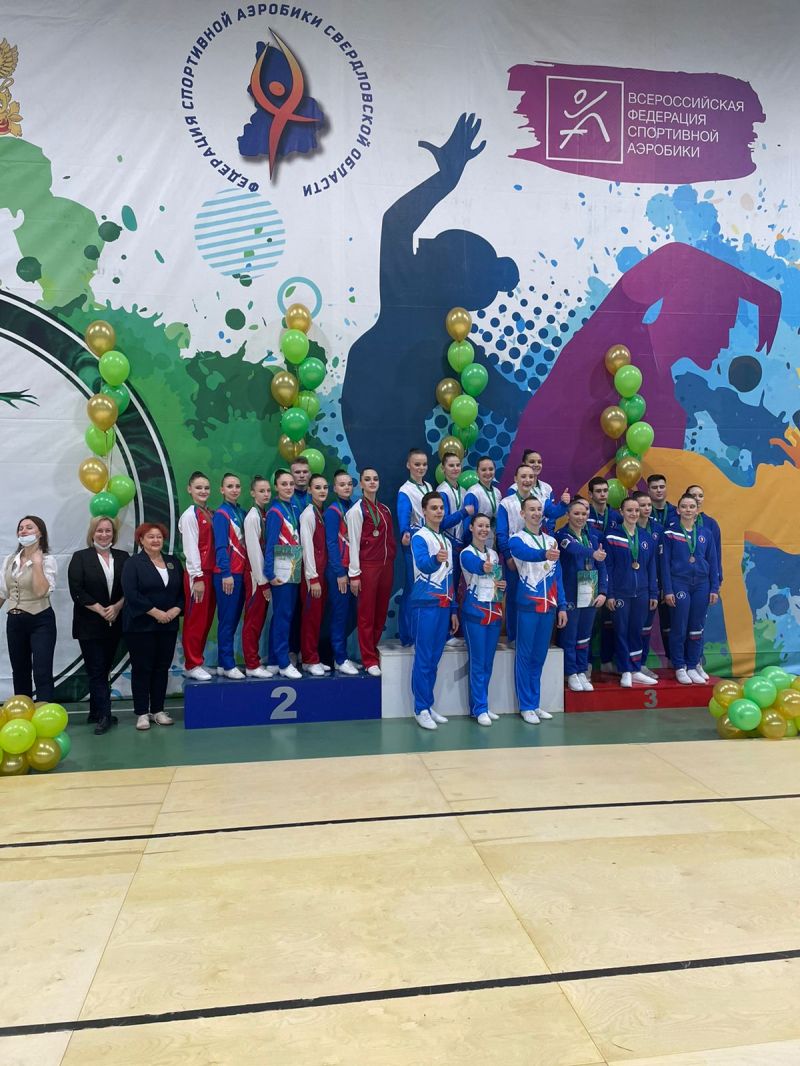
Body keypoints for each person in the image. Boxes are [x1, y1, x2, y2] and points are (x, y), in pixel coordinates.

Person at [67, 516, 128, 734]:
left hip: (114, 622)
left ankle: (95, 711)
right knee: (97, 670)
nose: (104, 534)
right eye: (100, 530)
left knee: (104, 669)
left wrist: (117, 607)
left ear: (114, 534)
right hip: (89, 624)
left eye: (108, 531)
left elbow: (129, 588)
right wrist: (100, 609)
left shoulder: (123, 557)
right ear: (92, 533)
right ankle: (105, 715)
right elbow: (76, 590)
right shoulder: (80, 557)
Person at [509, 497, 567, 723]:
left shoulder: (551, 541)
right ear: (522, 514)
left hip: (548, 606)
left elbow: (558, 576)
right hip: (528, 605)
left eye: (539, 509)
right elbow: (524, 553)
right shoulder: (517, 539)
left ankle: (535, 703)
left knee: (539, 657)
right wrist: (544, 554)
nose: (535, 513)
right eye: (531, 509)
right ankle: (526, 705)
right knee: (524, 656)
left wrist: (562, 605)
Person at [122, 522, 184, 730]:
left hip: (168, 625)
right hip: (140, 626)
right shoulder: (133, 563)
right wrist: (155, 612)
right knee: (142, 669)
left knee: (161, 668)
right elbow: (131, 594)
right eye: (150, 536)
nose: (155, 540)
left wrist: (176, 610)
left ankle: (158, 710)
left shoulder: (173, 562)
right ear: (141, 540)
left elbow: (181, 593)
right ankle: (142, 713)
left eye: (159, 536)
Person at [410, 492, 458, 729]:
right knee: (424, 658)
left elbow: (450, 576)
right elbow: (423, 565)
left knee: (434, 659)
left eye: (441, 508)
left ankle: (428, 704)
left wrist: (454, 609)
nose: (439, 511)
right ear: (424, 511)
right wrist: (436, 560)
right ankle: (420, 708)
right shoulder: (420, 537)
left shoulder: (446, 541)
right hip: (425, 604)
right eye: (434, 508)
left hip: (443, 605)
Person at [662, 493, 720, 684]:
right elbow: (664, 564)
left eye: (692, 507)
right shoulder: (670, 534)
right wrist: (668, 590)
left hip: (702, 585)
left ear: (697, 510)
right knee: (679, 626)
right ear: (678, 510)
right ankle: (680, 666)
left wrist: (714, 588)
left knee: (697, 627)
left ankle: (693, 664)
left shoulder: (705, 534)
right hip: (679, 583)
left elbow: (713, 562)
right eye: (684, 507)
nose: (688, 510)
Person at [0, 515, 57, 702]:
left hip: (40, 620)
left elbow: (41, 591)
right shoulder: (9, 560)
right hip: (15, 621)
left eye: (29, 527)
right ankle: (22, 713)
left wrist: (37, 563)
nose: (23, 531)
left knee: (42, 671)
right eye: (21, 528)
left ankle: (44, 710)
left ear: (40, 533)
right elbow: (3, 592)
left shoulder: (48, 560)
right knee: (19, 670)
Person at [603, 497, 659, 688]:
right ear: (621, 512)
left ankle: (635, 669)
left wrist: (653, 593)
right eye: (629, 510)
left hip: (642, 592)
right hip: (620, 592)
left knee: (637, 631)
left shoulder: (645, 537)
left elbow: (651, 567)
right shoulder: (612, 537)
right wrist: (610, 594)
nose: (634, 514)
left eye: (636, 510)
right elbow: (608, 568)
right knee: (621, 631)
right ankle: (625, 670)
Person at [348, 467, 397, 677]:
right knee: (366, 614)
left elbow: (389, 539)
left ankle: (373, 651)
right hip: (367, 566)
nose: (372, 482)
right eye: (367, 479)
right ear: (361, 484)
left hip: (386, 566)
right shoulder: (356, 511)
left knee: (380, 612)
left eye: (375, 479)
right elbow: (353, 544)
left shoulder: (384, 510)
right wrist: (354, 574)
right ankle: (368, 659)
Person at [556, 497, 608, 693]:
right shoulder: (561, 535)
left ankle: (581, 670)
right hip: (570, 593)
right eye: (576, 513)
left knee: (584, 636)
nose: (580, 517)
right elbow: (573, 549)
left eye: (584, 514)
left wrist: (603, 591)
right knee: (570, 635)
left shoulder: (593, 537)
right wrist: (592, 553)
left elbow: (602, 566)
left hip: (589, 593)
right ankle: (570, 673)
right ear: (568, 514)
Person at [460, 513, 505, 725]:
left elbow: (496, 577)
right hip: (475, 612)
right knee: (478, 662)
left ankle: (482, 704)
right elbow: (473, 565)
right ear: (471, 528)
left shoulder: (494, 554)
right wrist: (483, 567)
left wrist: (502, 584)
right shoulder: (466, 553)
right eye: (480, 526)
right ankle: (479, 708)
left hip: (493, 611)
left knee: (488, 662)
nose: (484, 530)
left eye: (487, 526)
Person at [264, 469, 303, 679]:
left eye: (291, 484)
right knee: (283, 616)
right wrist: (269, 573)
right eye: (284, 484)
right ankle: (283, 662)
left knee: (284, 614)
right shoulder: (275, 512)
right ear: (276, 487)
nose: (288, 487)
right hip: (281, 569)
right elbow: (270, 544)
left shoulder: (292, 508)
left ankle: (273, 659)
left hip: (292, 562)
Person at [178, 471, 216, 681]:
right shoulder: (190, 515)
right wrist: (197, 577)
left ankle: (198, 660)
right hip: (198, 575)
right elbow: (191, 548)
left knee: (206, 619)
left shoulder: (208, 512)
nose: (203, 491)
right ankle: (191, 664)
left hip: (211, 573)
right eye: (198, 487)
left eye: (206, 488)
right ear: (189, 489)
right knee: (195, 620)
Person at [212, 473, 247, 679]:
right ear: (222, 490)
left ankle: (222, 663)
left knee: (233, 620)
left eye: (237, 486)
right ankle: (227, 663)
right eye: (230, 486)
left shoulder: (240, 512)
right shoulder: (221, 514)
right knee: (227, 620)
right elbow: (220, 546)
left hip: (240, 573)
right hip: (227, 575)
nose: (234, 489)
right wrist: (226, 573)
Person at [497, 463, 536, 644]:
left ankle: (528, 636)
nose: (527, 480)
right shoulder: (506, 503)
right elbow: (501, 533)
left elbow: (547, 524)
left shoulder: (539, 501)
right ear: (515, 479)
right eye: (523, 476)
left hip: (534, 559)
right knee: (513, 597)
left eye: (531, 477)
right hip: (514, 559)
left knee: (532, 595)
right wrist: (508, 556)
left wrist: (564, 505)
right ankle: (513, 637)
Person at [397, 448, 433, 645]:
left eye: (424, 464)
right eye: (417, 464)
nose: (421, 468)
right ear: (408, 465)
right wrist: (405, 531)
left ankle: (422, 631)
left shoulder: (429, 486)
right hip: (413, 543)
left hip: (430, 542)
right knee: (413, 588)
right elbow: (403, 513)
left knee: (427, 587)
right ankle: (407, 635)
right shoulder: (405, 490)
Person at [437, 450, 474, 643]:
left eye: (458, 465)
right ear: (443, 469)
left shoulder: (463, 491)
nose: (455, 468)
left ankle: (453, 631)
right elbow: (442, 522)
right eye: (451, 465)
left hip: (460, 545)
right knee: (447, 588)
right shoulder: (442, 491)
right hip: (447, 544)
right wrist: (463, 513)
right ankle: (444, 633)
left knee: (458, 589)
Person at [325, 469, 359, 674]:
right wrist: (339, 572)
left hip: (353, 568)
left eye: (349, 484)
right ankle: (339, 657)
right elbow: (331, 543)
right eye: (342, 484)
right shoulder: (333, 511)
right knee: (339, 614)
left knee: (350, 614)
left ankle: (343, 655)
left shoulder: (354, 508)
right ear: (335, 488)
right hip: (339, 570)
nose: (346, 487)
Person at [586, 476, 620, 671]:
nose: (602, 494)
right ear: (590, 494)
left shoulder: (615, 516)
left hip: (612, 569)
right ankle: (587, 663)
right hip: (589, 571)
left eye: (605, 491)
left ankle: (607, 661)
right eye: (598, 491)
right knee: (590, 621)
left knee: (610, 619)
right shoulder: (585, 513)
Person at [242, 475, 273, 679]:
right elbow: (254, 551)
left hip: (261, 576)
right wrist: (262, 583)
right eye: (261, 491)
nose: (266, 494)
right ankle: (251, 664)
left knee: (259, 619)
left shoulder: (264, 514)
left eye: (268, 491)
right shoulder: (252, 517)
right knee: (253, 621)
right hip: (255, 576)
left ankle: (255, 660)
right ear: (253, 493)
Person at [299, 474, 330, 676]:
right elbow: (306, 548)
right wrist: (312, 578)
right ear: (309, 490)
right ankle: (309, 659)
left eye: (325, 487)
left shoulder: (321, 512)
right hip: (312, 576)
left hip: (321, 573)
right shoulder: (308, 515)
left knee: (317, 617)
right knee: (310, 617)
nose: (322, 491)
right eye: (317, 487)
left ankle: (312, 656)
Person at [633, 491, 663, 681]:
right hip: (632, 585)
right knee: (631, 627)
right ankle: (629, 665)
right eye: (641, 505)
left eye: (648, 505)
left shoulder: (658, 529)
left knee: (646, 627)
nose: (645, 509)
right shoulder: (627, 529)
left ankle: (642, 664)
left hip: (653, 583)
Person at [505, 450, 570, 533]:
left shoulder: (547, 488)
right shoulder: (514, 489)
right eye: (532, 462)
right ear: (523, 464)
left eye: (539, 462)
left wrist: (563, 504)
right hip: (522, 534)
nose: (536, 464)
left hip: (545, 535)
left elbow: (552, 514)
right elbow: (516, 517)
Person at [463, 456, 502, 549]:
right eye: (484, 470)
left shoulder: (497, 492)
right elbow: (468, 524)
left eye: (491, 469)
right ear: (477, 472)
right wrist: (470, 545)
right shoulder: (473, 493)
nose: (488, 473)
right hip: (477, 541)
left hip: (493, 539)